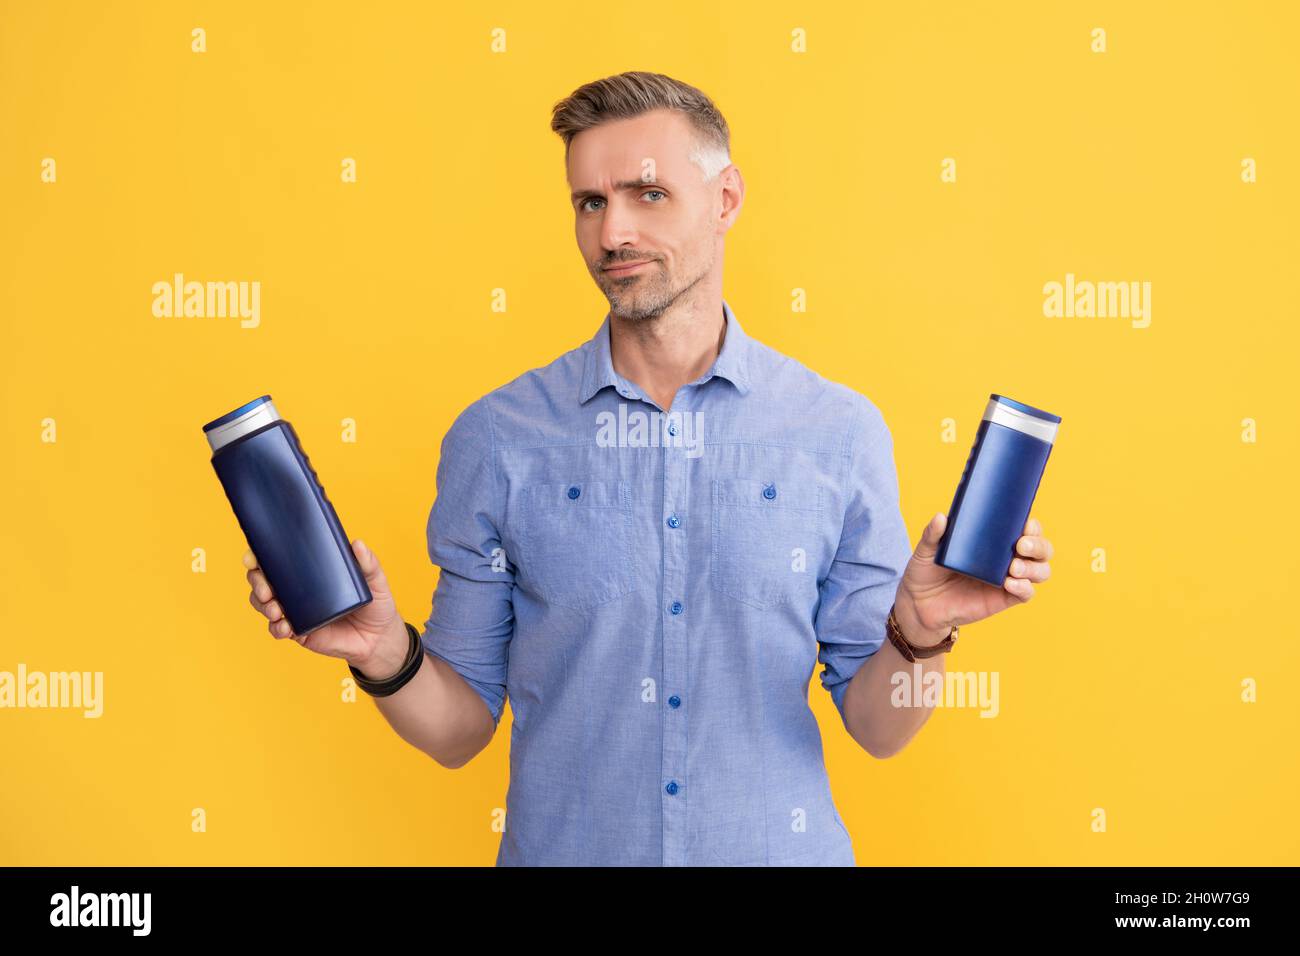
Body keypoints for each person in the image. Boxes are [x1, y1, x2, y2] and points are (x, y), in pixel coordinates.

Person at [244, 71, 1054, 865]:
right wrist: (384, 652)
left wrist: (920, 633)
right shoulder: (496, 439)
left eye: (647, 193)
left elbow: (879, 729)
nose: (612, 234)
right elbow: (460, 732)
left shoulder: (837, 433)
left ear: (726, 200)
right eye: (590, 203)